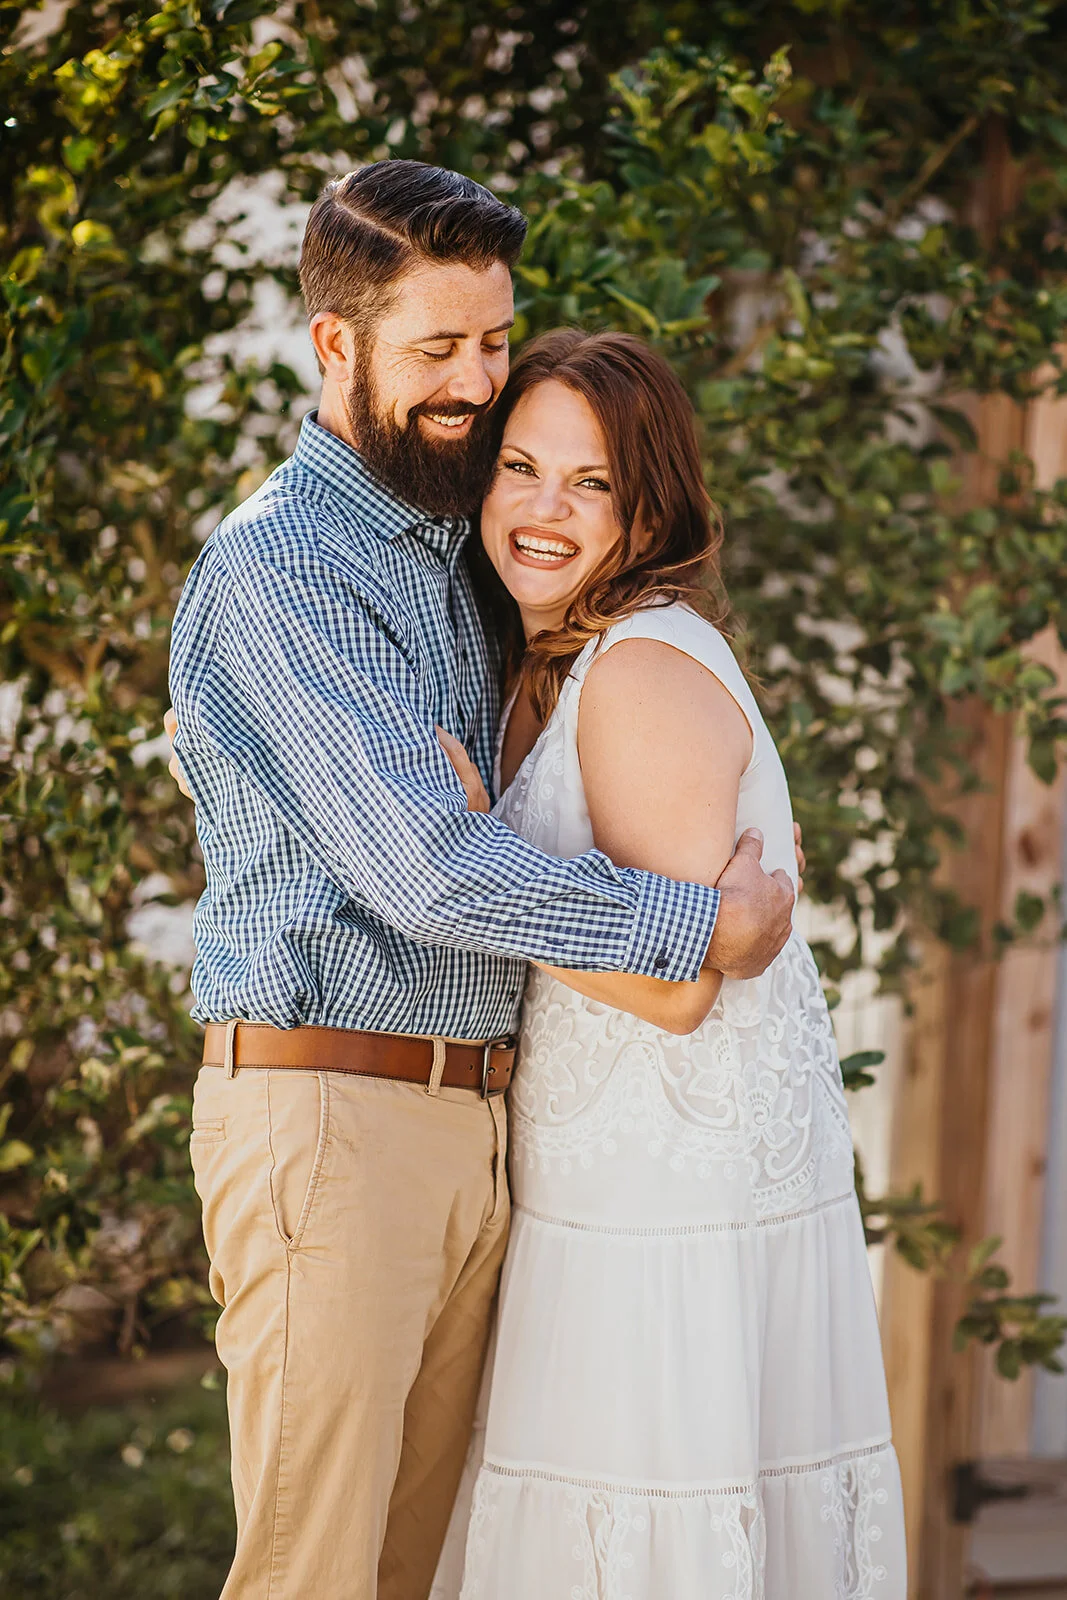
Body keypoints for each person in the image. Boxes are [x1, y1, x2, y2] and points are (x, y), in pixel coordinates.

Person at [166, 160, 798, 1600]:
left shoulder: (457, 546)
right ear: (337, 346)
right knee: (311, 1572)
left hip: (475, 1122)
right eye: (435, 347)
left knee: (410, 1574)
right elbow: (429, 876)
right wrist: (702, 923)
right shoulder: (283, 571)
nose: (475, 380)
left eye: (493, 341)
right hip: (329, 1118)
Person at [429, 328, 906, 1599]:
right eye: (518, 466)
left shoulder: (636, 666)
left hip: (661, 1210)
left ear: (649, 508)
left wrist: (465, 868)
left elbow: (676, 981)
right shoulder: (566, 653)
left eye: (585, 484)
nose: (538, 510)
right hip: (609, 1189)